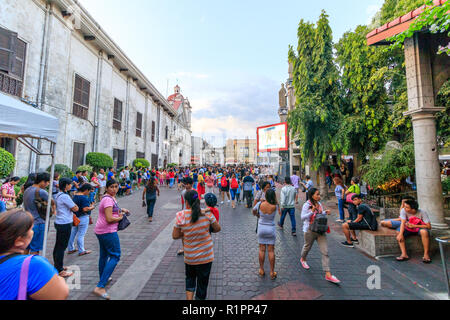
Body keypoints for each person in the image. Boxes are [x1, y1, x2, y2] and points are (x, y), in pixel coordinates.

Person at [0, 209, 69, 300]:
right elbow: (60, 294)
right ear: (19, 241)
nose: (32, 232)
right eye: (30, 229)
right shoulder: (32, 265)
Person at [173, 190, 220, 300]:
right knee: (202, 284)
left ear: (186, 202)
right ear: (198, 200)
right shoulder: (206, 213)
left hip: (190, 256)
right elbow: (217, 229)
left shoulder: (181, 215)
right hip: (206, 257)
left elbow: (175, 235)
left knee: (190, 280)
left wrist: (186, 231)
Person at [93, 179, 130, 300]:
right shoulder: (108, 200)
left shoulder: (109, 198)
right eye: (112, 187)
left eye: (116, 186)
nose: (114, 189)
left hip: (101, 230)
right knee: (115, 255)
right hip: (107, 231)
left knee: (104, 255)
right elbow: (109, 218)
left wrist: (121, 210)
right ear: (107, 188)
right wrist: (120, 217)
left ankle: (104, 277)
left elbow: (111, 212)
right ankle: (100, 286)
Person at [300, 188, 340, 284]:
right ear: (312, 195)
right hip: (309, 230)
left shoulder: (320, 204)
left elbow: (319, 214)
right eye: (317, 194)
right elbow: (302, 217)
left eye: (319, 194)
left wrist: (325, 212)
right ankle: (303, 259)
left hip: (320, 230)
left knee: (325, 251)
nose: (319, 196)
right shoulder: (307, 205)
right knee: (307, 247)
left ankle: (328, 274)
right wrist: (311, 212)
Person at [387, 199, 432, 263]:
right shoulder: (403, 210)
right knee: (399, 232)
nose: (404, 208)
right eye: (404, 206)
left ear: (413, 209)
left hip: (418, 228)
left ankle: (426, 254)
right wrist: (400, 234)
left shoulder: (422, 212)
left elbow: (429, 226)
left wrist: (414, 226)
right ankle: (404, 254)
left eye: (407, 207)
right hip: (407, 228)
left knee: (424, 232)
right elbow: (402, 223)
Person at [22, 172, 54, 256]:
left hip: (28, 223)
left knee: (26, 248)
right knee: (35, 250)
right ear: (42, 181)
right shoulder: (41, 192)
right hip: (39, 223)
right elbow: (53, 202)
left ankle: (23, 267)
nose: (47, 184)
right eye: (47, 182)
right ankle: (32, 267)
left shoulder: (27, 190)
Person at [52, 178, 79, 278]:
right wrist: (75, 206)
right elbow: (75, 208)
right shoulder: (65, 196)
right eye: (70, 184)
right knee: (61, 247)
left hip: (59, 221)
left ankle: (58, 266)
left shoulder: (58, 195)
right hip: (65, 222)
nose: (71, 186)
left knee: (58, 245)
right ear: (66, 185)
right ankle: (60, 269)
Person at [253, 189, 280, 280]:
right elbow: (279, 209)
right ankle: (272, 272)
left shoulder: (260, 204)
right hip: (271, 228)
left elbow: (253, 211)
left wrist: (258, 215)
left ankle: (261, 270)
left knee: (262, 249)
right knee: (271, 251)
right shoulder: (275, 206)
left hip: (261, 228)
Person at [68, 183, 95, 256]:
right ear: (86, 190)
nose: (89, 193)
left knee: (73, 233)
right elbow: (85, 209)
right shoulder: (84, 197)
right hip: (83, 217)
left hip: (75, 217)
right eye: (89, 191)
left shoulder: (75, 196)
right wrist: (92, 207)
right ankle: (81, 250)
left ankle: (70, 248)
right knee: (81, 234)